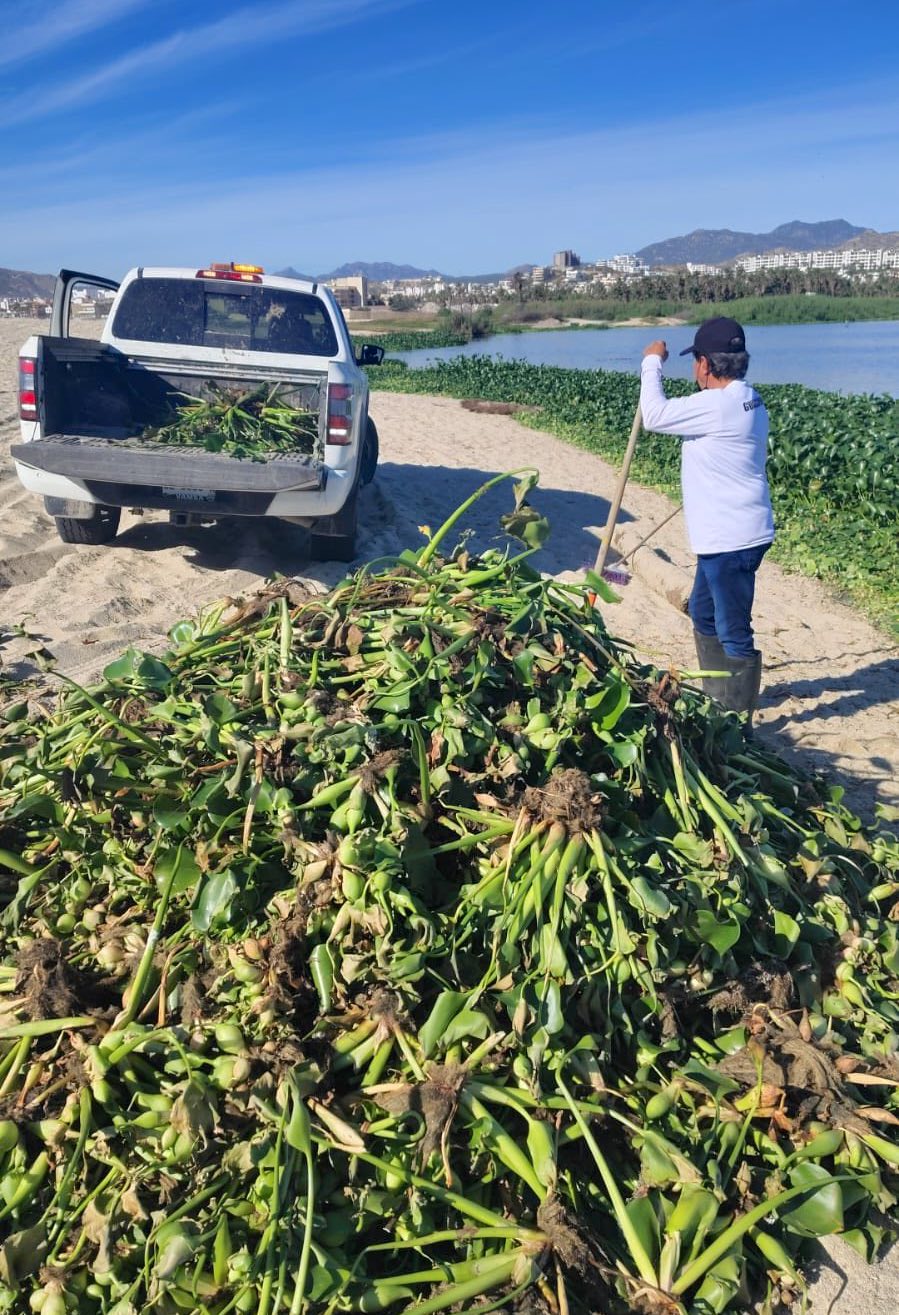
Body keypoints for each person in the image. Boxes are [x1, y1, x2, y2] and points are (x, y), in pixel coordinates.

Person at [639, 316, 774, 725]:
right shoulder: (749, 398)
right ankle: (717, 696)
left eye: (695, 360)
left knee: (733, 629)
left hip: (730, 538)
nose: (694, 368)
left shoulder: (717, 405)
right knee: (702, 611)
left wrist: (652, 363)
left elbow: (654, 415)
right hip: (735, 531)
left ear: (705, 364)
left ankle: (736, 720)